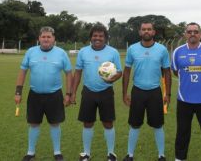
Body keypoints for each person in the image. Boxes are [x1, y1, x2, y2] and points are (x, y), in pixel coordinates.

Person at [14, 26, 72, 161]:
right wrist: (18, 92)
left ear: (54, 39)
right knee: (33, 124)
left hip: (54, 95)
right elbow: (23, 71)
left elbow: (69, 74)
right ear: (39, 38)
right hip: (34, 94)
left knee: (55, 123)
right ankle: (30, 153)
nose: (46, 39)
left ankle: (57, 152)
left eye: (49, 37)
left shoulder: (61, 53)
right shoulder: (30, 52)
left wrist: (68, 94)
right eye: (43, 36)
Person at [71, 24, 122, 161]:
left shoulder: (113, 52)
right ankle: (86, 153)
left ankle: (111, 153)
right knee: (87, 123)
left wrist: (111, 79)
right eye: (95, 35)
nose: (97, 38)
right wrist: (73, 93)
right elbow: (78, 73)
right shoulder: (83, 52)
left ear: (105, 38)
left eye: (101, 36)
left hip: (106, 92)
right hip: (88, 92)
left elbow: (119, 72)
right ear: (91, 37)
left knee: (108, 123)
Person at [171, 22, 201, 161]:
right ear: (185, 34)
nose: (192, 34)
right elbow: (176, 71)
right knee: (182, 132)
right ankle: (179, 158)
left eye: (195, 31)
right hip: (184, 100)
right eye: (189, 31)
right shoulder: (178, 51)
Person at [122, 22, 172, 161]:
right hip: (137, 91)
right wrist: (124, 93)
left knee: (158, 124)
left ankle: (161, 155)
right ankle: (130, 155)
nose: (146, 31)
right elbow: (126, 71)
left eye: (149, 29)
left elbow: (167, 72)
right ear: (139, 32)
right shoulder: (132, 49)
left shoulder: (162, 49)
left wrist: (167, 93)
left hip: (155, 92)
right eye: (144, 29)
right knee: (134, 124)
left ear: (153, 32)